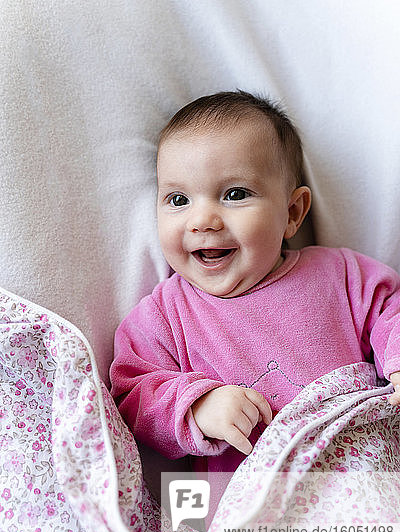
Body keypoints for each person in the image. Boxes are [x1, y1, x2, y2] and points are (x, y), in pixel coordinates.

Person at [110, 90, 400, 487]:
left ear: (292, 213)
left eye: (235, 195)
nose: (202, 220)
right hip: (240, 498)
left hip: (354, 473)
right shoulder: (164, 314)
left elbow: (391, 310)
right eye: (178, 200)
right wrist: (197, 408)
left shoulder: (341, 275)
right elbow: (131, 395)